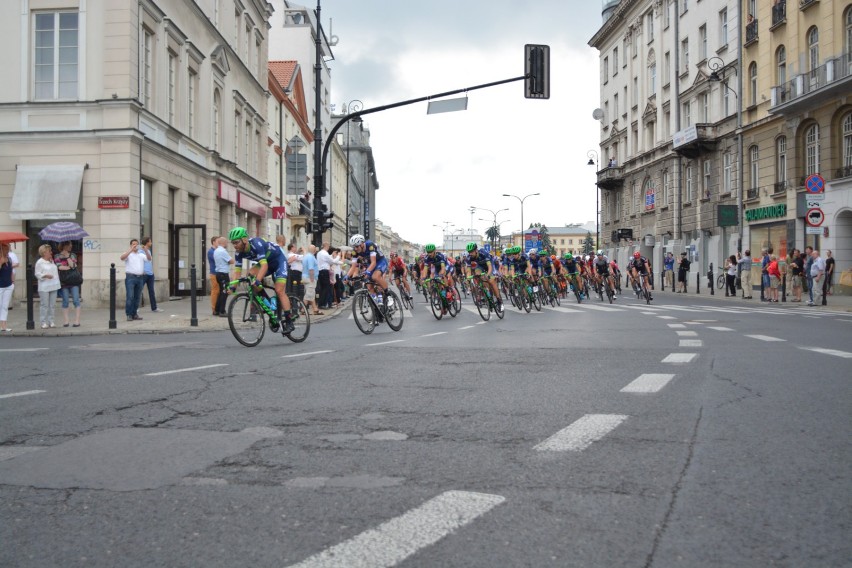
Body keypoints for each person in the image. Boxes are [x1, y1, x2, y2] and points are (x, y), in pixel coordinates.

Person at [228, 227, 295, 333]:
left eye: (236, 242)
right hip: (267, 263)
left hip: (278, 261)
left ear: (244, 240)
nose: (235, 245)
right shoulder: (238, 253)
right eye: (233, 243)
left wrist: (258, 280)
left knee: (279, 290)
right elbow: (237, 271)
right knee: (250, 274)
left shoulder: (256, 244)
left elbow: (264, 266)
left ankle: (289, 321)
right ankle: (269, 304)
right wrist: (233, 287)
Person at [54, 241, 82, 327]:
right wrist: (68, 267)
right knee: (65, 301)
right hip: (64, 281)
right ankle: (66, 321)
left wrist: (67, 257)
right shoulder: (57, 256)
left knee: (76, 300)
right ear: (64, 245)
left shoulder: (72, 255)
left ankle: (77, 321)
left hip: (74, 281)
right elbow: (59, 267)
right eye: (70, 244)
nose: (71, 246)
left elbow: (73, 265)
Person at [120, 238, 147, 321]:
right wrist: (130, 250)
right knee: (130, 296)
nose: (135, 245)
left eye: (136, 244)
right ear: (131, 245)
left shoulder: (141, 255)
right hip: (130, 277)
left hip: (140, 278)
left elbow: (149, 259)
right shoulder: (128, 254)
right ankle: (129, 314)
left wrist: (145, 250)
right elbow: (122, 258)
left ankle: (134, 313)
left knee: (137, 297)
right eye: (133, 244)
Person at [34, 244, 60, 329]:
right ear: (44, 252)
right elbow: (37, 274)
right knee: (44, 305)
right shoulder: (40, 262)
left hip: (53, 284)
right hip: (44, 286)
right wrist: (45, 275)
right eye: (49, 251)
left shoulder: (51, 261)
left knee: (52, 305)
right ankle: (43, 322)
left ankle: (51, 321)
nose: (51, 253)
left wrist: (52, 262)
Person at [139, 236, 163, 313]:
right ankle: (135, 308)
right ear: (147, 242)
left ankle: (154, 308)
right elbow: (140, 262)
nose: (151, 243)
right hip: (144, 274)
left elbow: (149, 261)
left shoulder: (149, 251)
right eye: (150, 241)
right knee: (138, 291)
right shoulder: (140, 251)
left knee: (151, 291)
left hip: (150, 274)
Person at [212, 236, 234, 316]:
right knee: (225, 292)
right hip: (223, 274)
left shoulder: (216, 251)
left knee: (221, 292)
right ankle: (222, 311)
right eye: (227, 242)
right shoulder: (223, 251)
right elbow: (231, 261)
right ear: (224, 243)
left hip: (218, 273)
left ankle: (217, 310)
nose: (227, 244)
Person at [302, 244, 320, 316]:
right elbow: (311, 268)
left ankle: (315, 309)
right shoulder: (311, 257)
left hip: (305, 276)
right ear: (314, 250)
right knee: (309, 294)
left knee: (311, 293)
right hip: (310, 278)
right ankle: (303, 309)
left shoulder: (306, 256)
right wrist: (312, 278)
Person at [0, 244, 14, 332]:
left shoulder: (9, 259)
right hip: (0, 286)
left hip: (8, 285)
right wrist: (1, 263)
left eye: (8, 249)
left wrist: (12, 282)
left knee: (5, 306)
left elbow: (11, 271)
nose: (7, 251)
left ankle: (4, 325)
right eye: (6, 249)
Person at [316, 241, 334, 310]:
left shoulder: (319, 253)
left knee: (322, 288)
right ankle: (322, 304)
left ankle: (321, 303)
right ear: (326, 246)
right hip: (325, 271)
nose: (329, 248)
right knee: (326, 288)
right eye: (328, 246)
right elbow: (331, 261)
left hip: (320, 271)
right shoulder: (325, 253)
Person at [207, 236, 219, 316]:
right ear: (214, 242)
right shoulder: (211, 251)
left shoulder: (217, 251)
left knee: (218, 291)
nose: (219, 243)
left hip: (217, 273)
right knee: (215, 291)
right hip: (214, 273)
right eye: (218, 241)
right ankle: (214, 308)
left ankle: (217, 308)